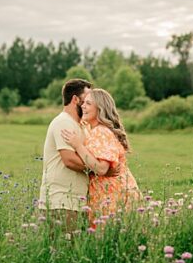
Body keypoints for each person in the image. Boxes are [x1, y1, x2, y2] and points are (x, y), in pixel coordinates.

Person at [60, 87, 141, 224]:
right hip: (108, 197)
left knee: (112, 241)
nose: (83, 106)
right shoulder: (96, 131)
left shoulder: (101, 132)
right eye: (83, 102)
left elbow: (102, 168)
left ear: (100, 108)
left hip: (114, 199)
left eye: (88, 103)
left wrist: (77, 145)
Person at [39, 78, 91, 234]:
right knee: (62, 253)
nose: (90, 102)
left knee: (74, 254)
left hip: (75, 202)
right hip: (61, 203)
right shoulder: (64, 122)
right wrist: (98, 169)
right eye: (86, 99)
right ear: (75, 99)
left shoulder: (80, 125)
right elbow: (69, 160)